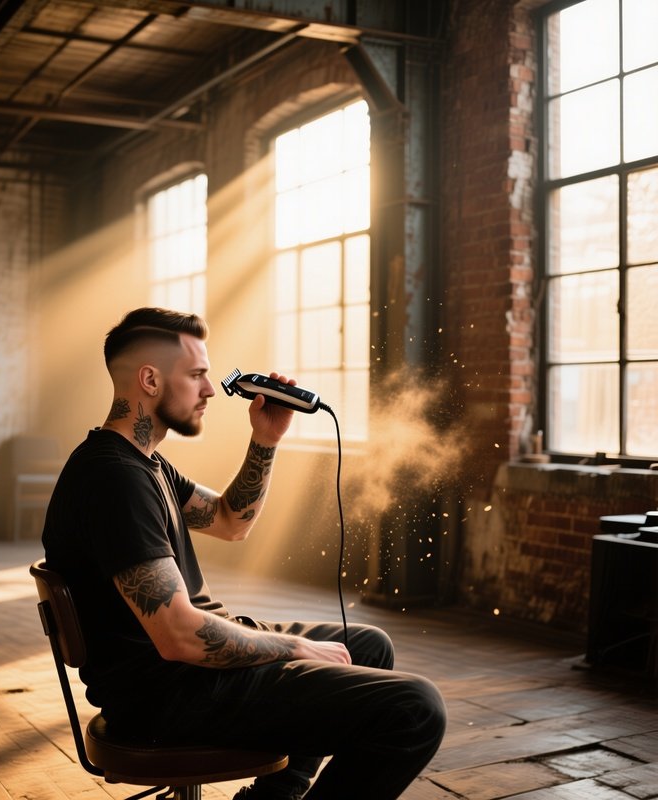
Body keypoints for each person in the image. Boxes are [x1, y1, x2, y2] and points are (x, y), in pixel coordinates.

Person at [42, 307, 446, 800]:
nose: (211, 390)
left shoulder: (144, 464)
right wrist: (295, 648)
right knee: (417, 708)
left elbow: (231, 521)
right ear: (149, 379)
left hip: (181, 678)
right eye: (196, 375)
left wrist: (265, 439)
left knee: (367, 645)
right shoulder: (114, 480)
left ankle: (274, 798)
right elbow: (178, 637)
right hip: (169, 696)